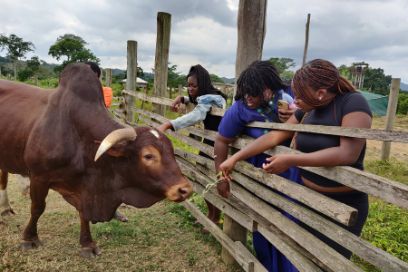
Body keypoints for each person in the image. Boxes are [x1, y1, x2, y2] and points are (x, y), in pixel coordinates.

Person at [218, 59, 372, 265]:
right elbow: (274, 136)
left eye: (299, 95)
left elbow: (348, 153)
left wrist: (292, 159)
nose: (294, 100)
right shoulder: (305, 110)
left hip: (342, 204)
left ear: (320, 93)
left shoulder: (353, 103)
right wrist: (235, 158)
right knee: (303, 259)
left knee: (328, 263)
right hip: (306, 198)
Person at [214, 60, 296, 272]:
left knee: (290, 224)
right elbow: (222, 140)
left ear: (269, 89)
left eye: (254, 92)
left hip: (291, 173)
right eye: (245, 92)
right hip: (261, 173)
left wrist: (296, 115)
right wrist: (221, 177)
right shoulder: (240, 109)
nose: (248, 97)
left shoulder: (287, 101)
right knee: (263, 223)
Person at [157, 64, 227, 225]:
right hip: (210, 141)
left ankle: (215, 217)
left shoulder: (212, 98)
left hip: (219, 144)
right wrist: (181, 98)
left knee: (212, 178)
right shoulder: (208, 95)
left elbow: (197, 114)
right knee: (203, 177)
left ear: (202, 84)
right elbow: (194, 100)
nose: (190, 88)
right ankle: (212, 215)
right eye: (188, 85)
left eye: (193, 85)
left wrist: (168, 124)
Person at [85, 61, 128, 223]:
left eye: (91, 76)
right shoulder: (74, 94)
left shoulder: (105, 92)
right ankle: (89, 210)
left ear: (97, 77)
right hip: (83, 141)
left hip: (100, 140)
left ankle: (112, 209)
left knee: (107, 175)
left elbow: (102, 108)